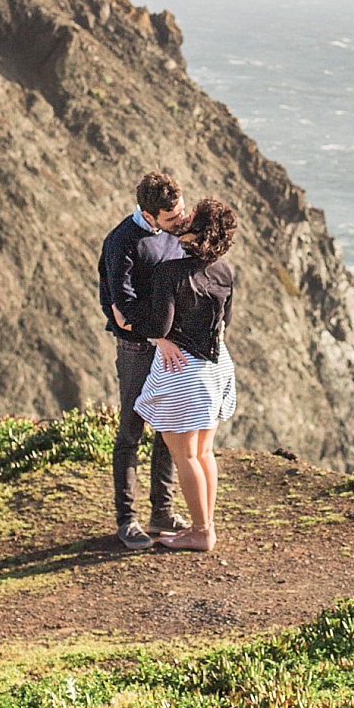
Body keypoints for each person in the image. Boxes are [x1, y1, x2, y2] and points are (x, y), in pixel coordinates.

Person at [133, 197, 237, 553]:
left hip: (184, 371)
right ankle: (205, 527)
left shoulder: (169, 274)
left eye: (191, 216)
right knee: (204, 453)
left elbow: (159, 323)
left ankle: (200, 532)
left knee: (186, 456)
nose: (183, 219)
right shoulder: (224, 271)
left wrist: (133, 321)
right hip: (216, 366)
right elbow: (226, 322)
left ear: (200, 230)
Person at [98, 169, 190, 547]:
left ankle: (162, 513)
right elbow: (122, 310)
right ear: (148, 214)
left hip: (168, 346)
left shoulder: (174, 233)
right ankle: (126, 520)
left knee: (167, 433)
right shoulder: (121, 242)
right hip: (138, 350)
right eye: (172, 218)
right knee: (130, 434)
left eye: (182, 212)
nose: (181, 222)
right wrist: (158, 337)